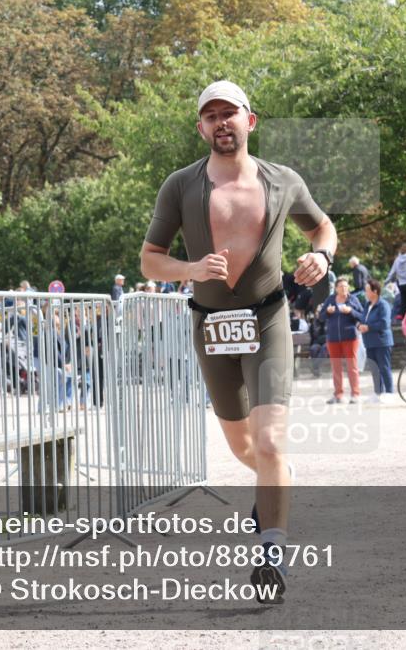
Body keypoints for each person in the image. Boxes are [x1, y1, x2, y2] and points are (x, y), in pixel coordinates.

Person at [140, 80, 335, 603]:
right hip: (210, 325)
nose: (221, 122)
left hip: (267, 319)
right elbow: (150, 259)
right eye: (211, 115)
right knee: (242, 446)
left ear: (250, 120)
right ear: (200, 127)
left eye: (230, 113)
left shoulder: (283, 181)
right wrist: (189, 269)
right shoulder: (180, 186)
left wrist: (322, 256)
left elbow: (323, 228)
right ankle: (279, 478)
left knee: (269, 441)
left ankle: (272, 552)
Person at [320, 278, 364, 404]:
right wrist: (328, 312)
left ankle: (355, 394)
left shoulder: (353, 300)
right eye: (341, 286)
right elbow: (321, 317)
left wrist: (351, 311)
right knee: (336, 368)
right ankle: (338, 395)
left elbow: (362, 316)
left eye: (346, 286)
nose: (344, 289)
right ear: (336, 288)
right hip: (333, 338)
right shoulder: (330, 300)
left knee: (352, 367)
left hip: (350, 337)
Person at [358, 279, 394, 403]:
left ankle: (389, 393)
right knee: (374, 369)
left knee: (384, 367)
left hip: (382, 342)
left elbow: (385, 323)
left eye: (367, 290)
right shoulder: (367, 305)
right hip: (369, 342)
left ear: (375, 291)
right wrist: (360, 325)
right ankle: (378, 393)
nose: (365, 293)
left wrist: (368, 327)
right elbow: (363, 319)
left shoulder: (383, 305)